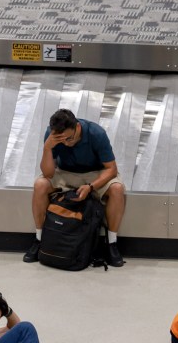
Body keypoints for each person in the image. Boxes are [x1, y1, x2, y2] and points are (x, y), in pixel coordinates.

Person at [24, 108, 127, 267]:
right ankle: (40, 240)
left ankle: (111, 243)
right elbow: (49, 173)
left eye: (69, 138)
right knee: (40, 185)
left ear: (77, 127)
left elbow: (111, 169)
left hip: (94, 173)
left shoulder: (96, 133)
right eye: (62, 140)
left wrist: (91, 187)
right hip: (65, 172)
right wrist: (47, 148)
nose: (66, 143)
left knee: (117, 189)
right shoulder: (52, 135)